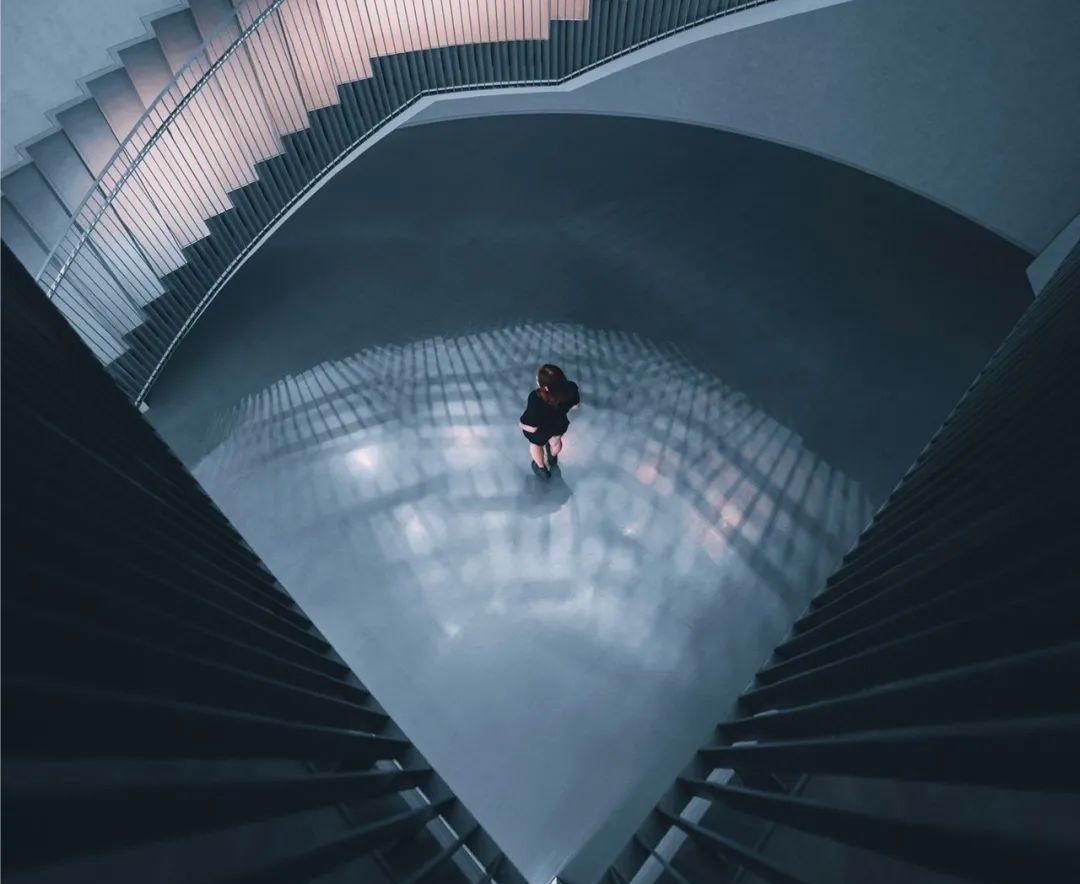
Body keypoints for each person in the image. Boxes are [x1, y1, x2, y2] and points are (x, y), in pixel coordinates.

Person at [519, 364, 580, 478]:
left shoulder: (536, 398)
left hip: (541, 431)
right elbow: (576, 406)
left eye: (538, 379)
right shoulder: (571, 388)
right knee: (556, 442)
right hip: (559, 424)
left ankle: (541, 468)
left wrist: (521, 424)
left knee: (536, 445)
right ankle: (552, 457)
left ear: (546, 388)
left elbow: (532, 427)